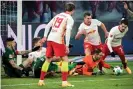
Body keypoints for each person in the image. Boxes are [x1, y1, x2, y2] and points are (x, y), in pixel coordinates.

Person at [38, 2, 75, 87]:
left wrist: (44, 36)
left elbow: (47, 26)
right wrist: (67, 45)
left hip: (50, 39)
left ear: (65, 9)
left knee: (48, 60)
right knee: (65, 59)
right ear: (73, 10)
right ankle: (64, 82)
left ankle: (41, 81)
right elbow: (68, 31)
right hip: (58, 40)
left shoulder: (58, 15)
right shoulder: (69, 18)